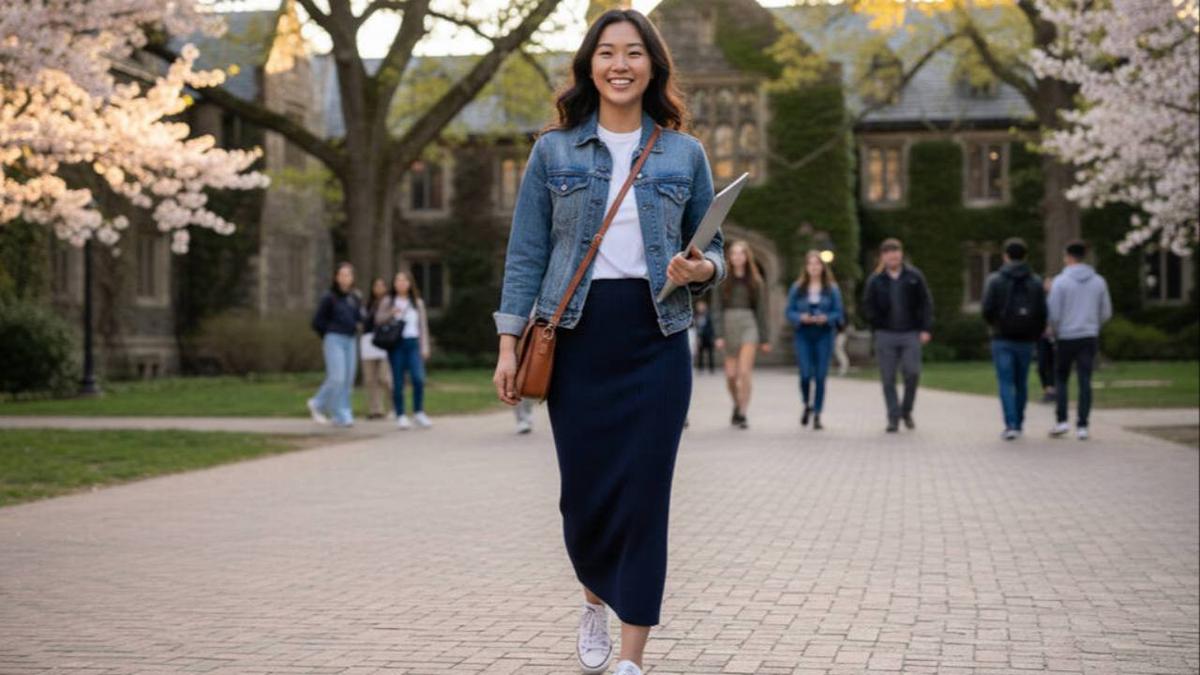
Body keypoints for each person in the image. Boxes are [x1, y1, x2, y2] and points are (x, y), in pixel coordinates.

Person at [490, 10, 724, 675]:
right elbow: (526, 253)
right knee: (585, 494)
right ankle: (594, 595)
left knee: (646, 495)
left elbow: (715, 249)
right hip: (576, 336)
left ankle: (631, 657)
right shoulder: (553, 152)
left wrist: (700, 270)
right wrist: (508, 343)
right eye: (607, 52)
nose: (621, 64)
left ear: (653, 66)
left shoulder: (684, 153)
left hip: (656, 336)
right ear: (590, 66)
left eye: (634, 52)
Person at [862, 238, 934, 433]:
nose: (892, 256)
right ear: (882, 257)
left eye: (895, 252)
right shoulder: (875, 280)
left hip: (910, 333)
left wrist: (925, 328)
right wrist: (876, 325)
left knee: (912, 373)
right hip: (885, 334)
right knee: (888, 378)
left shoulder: (914, 277)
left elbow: (926, 303)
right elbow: (868, 306)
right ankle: (893, 417)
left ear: (901, 254)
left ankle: (906, 410)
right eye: (888, 253)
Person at [981, 238, 1048, 440]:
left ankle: (1010, 424)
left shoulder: (995, 280)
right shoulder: (1035, 281)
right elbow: (1042, 312)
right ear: (1025, 256)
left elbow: (986, 309)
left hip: (1002, 338)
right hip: (1026, 340)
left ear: (1005, 256)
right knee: (1021, 382)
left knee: (1005, 382)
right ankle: (1019, 422)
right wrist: (1035, 333)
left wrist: (995, 325)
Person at [1047, 241, 1112, 440]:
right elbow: (1106, 311)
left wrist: (1057, 329)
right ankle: (1083, 425)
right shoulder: (1098, 281)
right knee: (1085, 379)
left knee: (1061, 378)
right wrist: (1093, 325)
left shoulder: (1060, 282)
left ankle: (1062, 421)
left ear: (1068, 256)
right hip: (1089, 336)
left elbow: (1054, 313)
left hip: (1066, 336)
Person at [713, 240, 771, 429]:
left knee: (744, 372)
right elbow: (716, 309)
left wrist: (765, 338)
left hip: (749, 324)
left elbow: (761, 311)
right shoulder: (722, 280)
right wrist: (718, 334)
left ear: (747, 257)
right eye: (734, 253)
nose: (737, 257)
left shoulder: (756, 281)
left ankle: (743, 412)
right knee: (731, 375)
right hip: (728, 324)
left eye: (741, 253)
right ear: (729, 257)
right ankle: (737, 404)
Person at [785, 250, 844, 430]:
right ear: (806, 267)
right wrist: (800, 317)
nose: (814, 267)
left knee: (820, 375)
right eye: (810, 264)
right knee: (805, 374)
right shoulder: (797, 288)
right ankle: (807, 403)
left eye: (817, 264)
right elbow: (789, 311)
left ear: (822, 267)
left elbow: (838, 312)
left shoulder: (832, 289)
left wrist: (826, 318)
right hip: (803, 333)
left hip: (824, 334)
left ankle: (817, 413)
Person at [375, 271, 432, 430]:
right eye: (398, 280)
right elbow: (378, 319)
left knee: (418, 378)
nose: (401, 283)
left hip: (413, 343)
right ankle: (400, 414)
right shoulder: (389, 301)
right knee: (398, 381)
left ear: (410, 283)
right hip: (396, 344)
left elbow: (423, 326)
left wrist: (425, 347)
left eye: (404, 280)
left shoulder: (417, 303)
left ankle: (418, 411)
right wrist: (391, 313)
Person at [308, 262, 362, 428]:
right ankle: (318, 403)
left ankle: (341, 414)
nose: (345, 278)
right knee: (337, 378)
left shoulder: (354, 298)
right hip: (334, 340)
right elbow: (317, 322)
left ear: (352, 278)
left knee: (347, 380)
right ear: (336, 277)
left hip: (351, 340)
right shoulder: (329, 297)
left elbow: (360, 317)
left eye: (348, 275)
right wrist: (329, 333)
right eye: (342, 275)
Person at [360, 277, 394, 420]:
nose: (379, 288)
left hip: (384, 340)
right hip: (368, 341)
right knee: (370, 378)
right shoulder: (368, 305)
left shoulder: (390, 303)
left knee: (384, 377)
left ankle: (393, 406)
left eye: (381, 285)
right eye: (376, 285)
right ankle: (376, 409)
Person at [1036, 275, 1056, 403]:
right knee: (1042, 366)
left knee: (1053, 364)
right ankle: (1047, 389)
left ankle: (1052, 391)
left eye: (1050, 282)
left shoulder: (1058, 298)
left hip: (1055, 337)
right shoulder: (1040, 299)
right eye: (1046, 282)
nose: (1048, 285)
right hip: (1042, 337)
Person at [694, 299, 716, 373]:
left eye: (701, 306)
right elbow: (696, 327)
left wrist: (713, 337)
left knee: (710, 353)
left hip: (708, 337)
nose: (700, 308)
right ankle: (700, 368)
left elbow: (711, 327)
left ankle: (711, 368)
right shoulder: (696, 316)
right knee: (700, 353)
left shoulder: (708, 315)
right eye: (699, 306)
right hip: (700, 337)